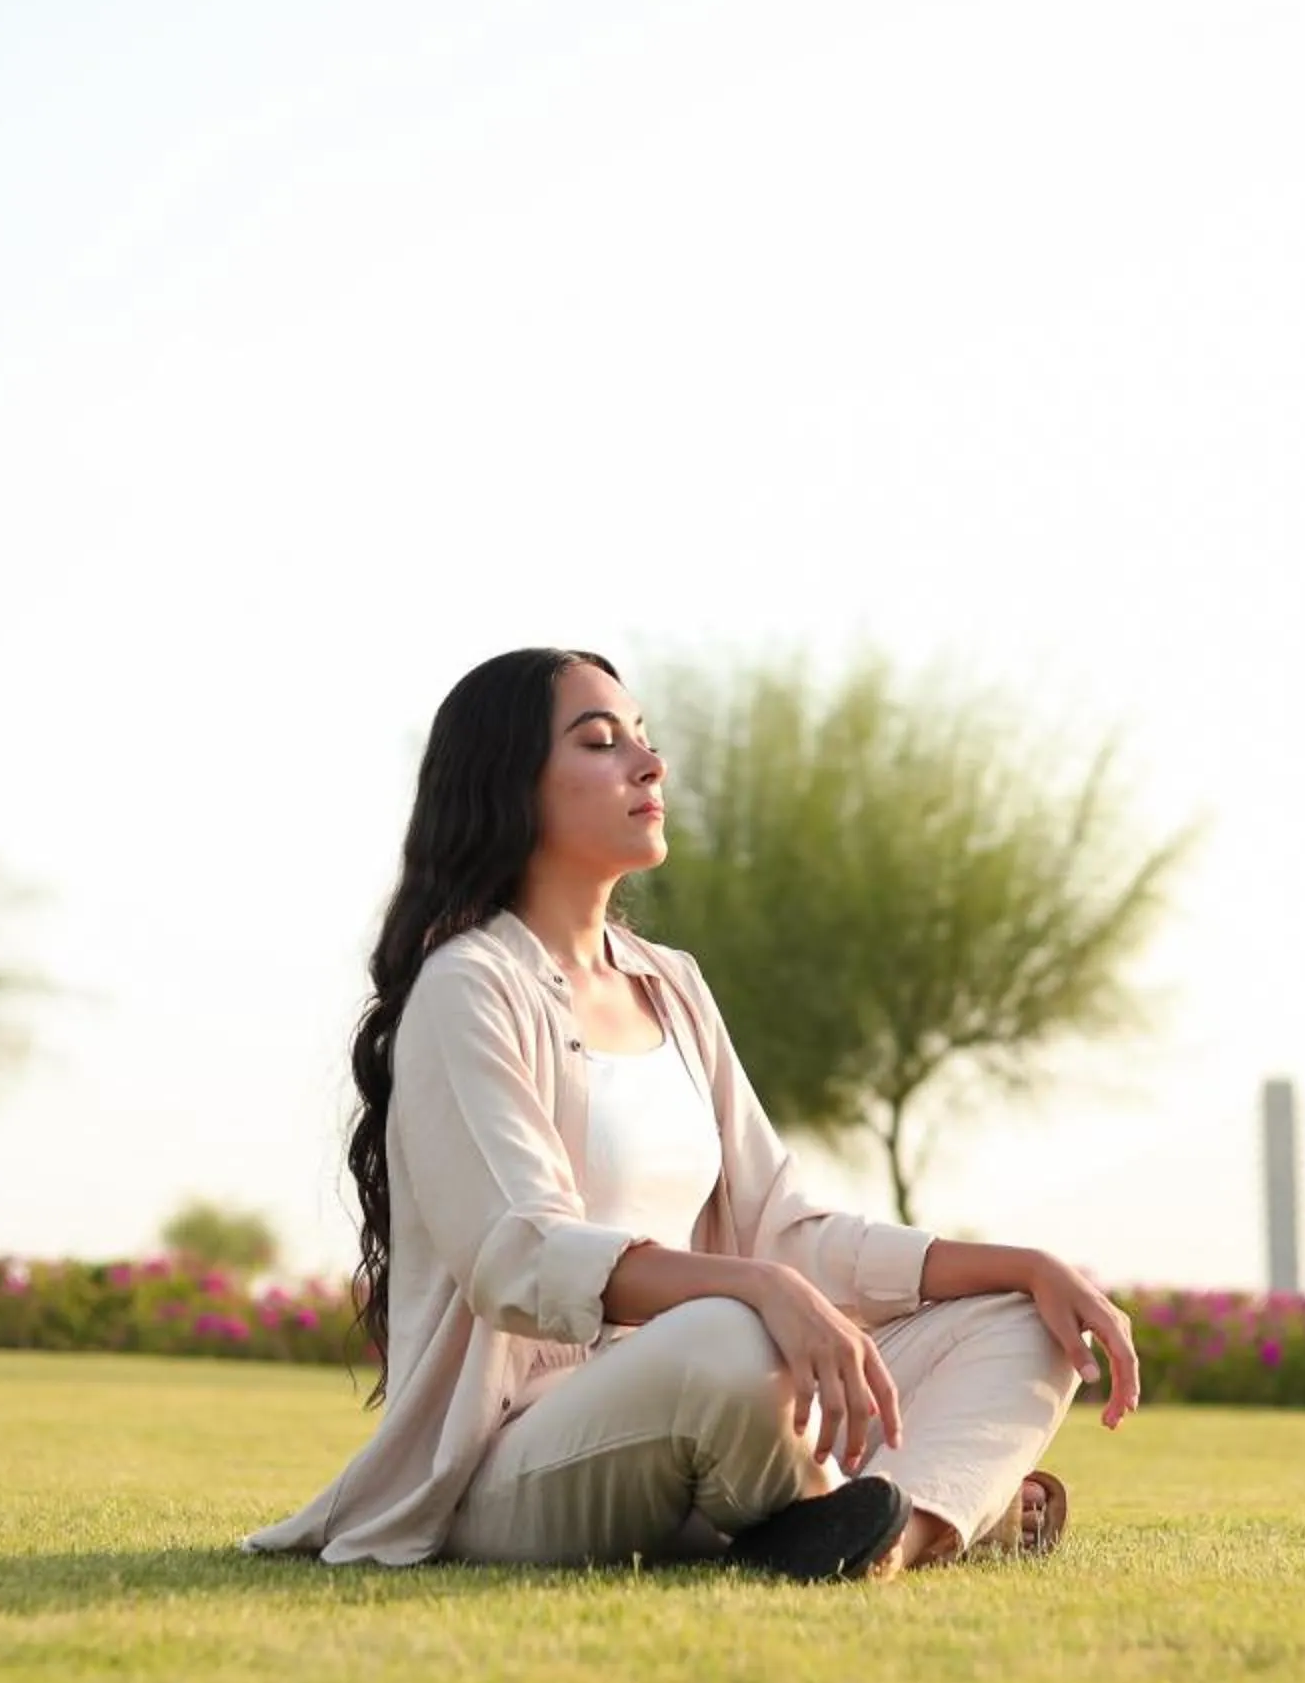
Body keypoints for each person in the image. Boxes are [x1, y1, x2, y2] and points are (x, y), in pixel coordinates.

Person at [245, 648, 1141, 1581]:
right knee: (728, 1335)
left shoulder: (672, 986)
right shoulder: (468, 987)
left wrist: (1020, 1265)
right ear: (509, 786)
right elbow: (520, 1252)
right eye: (601, 742)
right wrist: (755, 1289)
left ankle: (889, 1535)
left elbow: (782, 1232)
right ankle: (927, 1504)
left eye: (646, 740)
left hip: (730, 1394)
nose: (648, 764)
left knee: (1020, 1320)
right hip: (525, 1452)